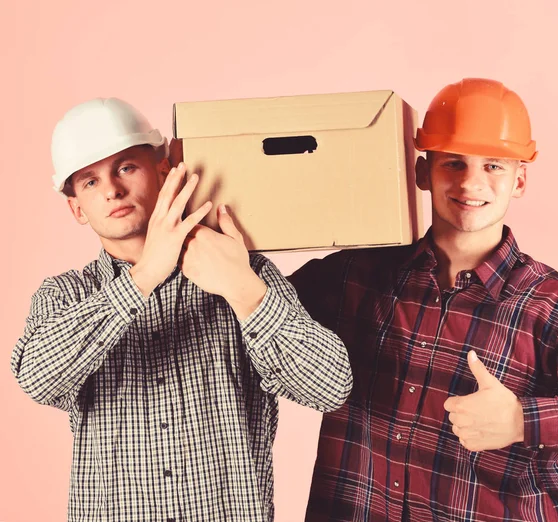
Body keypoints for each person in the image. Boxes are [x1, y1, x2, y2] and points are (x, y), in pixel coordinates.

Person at [10, 97, 352, 522]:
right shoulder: (66, 295)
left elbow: (330, 387)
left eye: (125, 167)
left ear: (164, 170)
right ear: (76, 207)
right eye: (90, 182)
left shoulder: (244, 272)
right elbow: (37, 379)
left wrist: (242, 289)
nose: (112, 190)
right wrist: (144, 276)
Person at [289, 78, 558, 522]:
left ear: (520, 180)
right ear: (421, 172)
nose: (471, 183)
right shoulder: (353, 276)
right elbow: (258, 316)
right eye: (453, 163)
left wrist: (521, 420)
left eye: (494, 166)